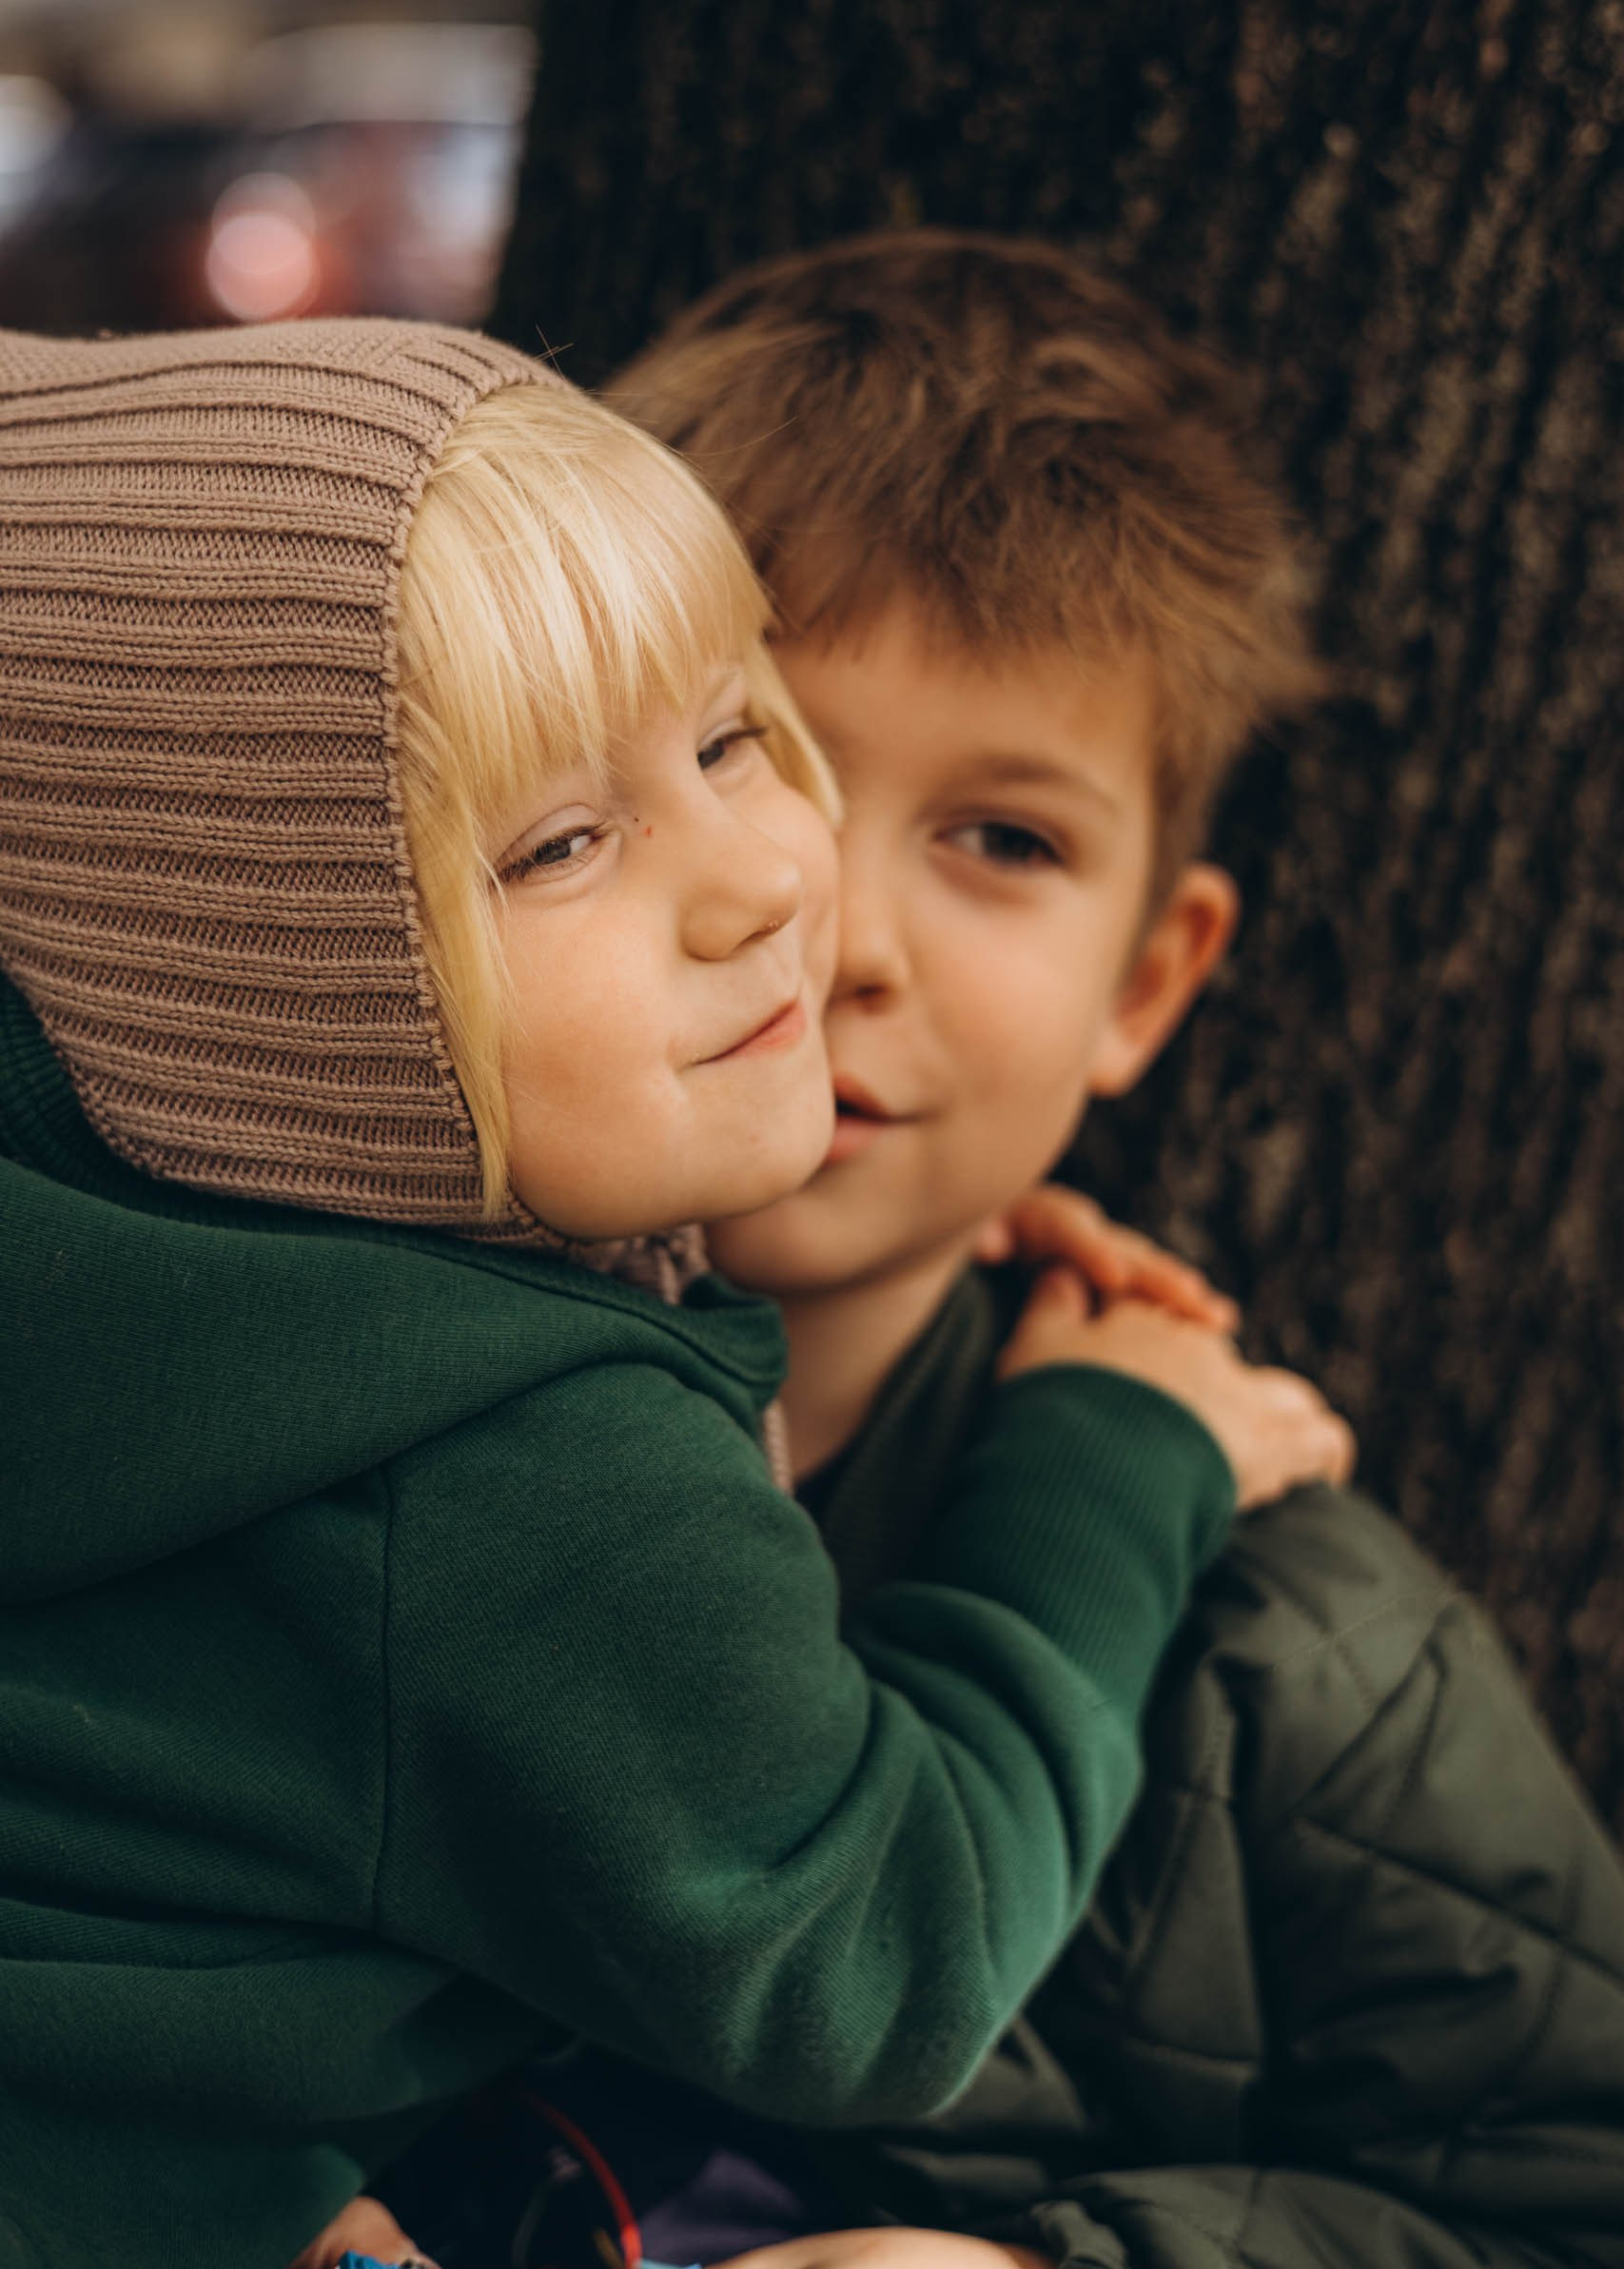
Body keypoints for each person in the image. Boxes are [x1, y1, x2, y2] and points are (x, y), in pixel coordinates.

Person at [324, 231, 1624, 2269]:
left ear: (1148, 975)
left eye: (1002, 839)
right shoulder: (302, 1422)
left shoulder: (1284, 1636)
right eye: (755, 756)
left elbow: (1562, 2188)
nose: (828, 937)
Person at [0, 316, 1347, 2269]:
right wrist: (1114, 1446)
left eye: (726, 733)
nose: (773, 884)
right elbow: (880, 1961)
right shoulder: (510, 1465)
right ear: (262, 993)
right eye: (559, 842)